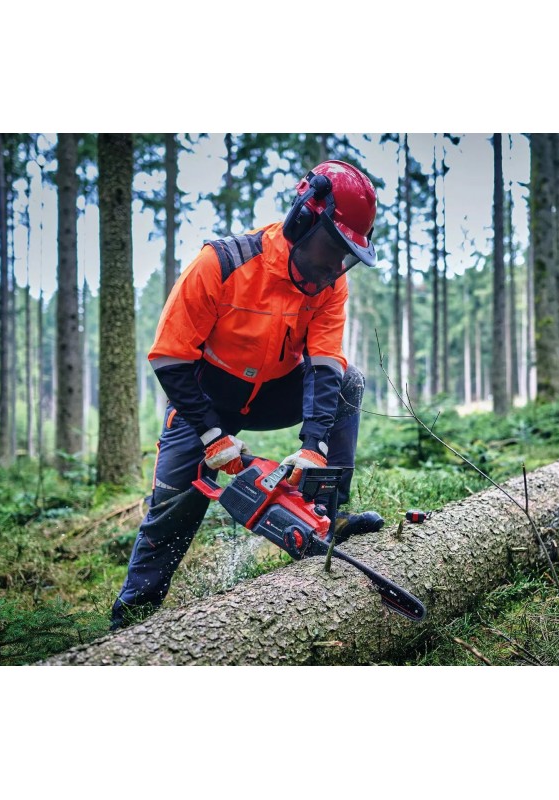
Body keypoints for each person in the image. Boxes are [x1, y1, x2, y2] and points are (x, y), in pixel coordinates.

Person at [110, 159, 385, 630]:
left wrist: (313, 446)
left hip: (274, 390)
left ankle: (325, 515)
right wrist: (211, 434)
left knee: (349, 382)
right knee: (174, 501)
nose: (334, 266)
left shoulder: (330, 284)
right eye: (332, 249)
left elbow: (325, 364)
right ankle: (132, 617)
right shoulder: (221, 263)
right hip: (206, 396)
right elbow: (170, 356)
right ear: (303, 219)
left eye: (345, 256)